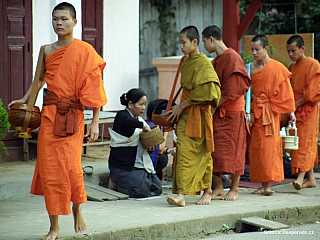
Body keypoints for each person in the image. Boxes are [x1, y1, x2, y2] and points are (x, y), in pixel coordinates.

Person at [7, 2, 107, 240]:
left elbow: (95, 88)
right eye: (55, 19)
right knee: (50, 170)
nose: (59, 23)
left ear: (75, 22)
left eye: (63, 19)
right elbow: (38, 81)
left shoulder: (85, 52)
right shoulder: (46, 50)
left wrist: (95, 122)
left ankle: (77, 208)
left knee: (72, 168)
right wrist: (24, 101)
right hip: (51, 116)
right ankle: (54, 227)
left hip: (73, 116)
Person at [166, 26, 221, 206]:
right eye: (180, 43)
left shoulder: (204, 63)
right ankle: (181, 195)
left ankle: (207, 191)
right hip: (185, 116)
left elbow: (209, 90)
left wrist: (182, 105)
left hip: (199, 114)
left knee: (204, 153)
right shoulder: (186, 61)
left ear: (195, 42)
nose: (181, 46)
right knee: (182, 152)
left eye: (184, 43)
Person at [202, 25, 251, 201]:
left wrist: (215, 104)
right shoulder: (217, 60)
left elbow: (234, 89)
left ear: (211, 39)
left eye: (204, 42)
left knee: (235, 150)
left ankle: (235, 189)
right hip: (218, 111)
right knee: (215, 150)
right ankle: (219, 187)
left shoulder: (232, 57)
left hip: (232, 112)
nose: (204, 47)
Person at [249, 35, 295, 196]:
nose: (254, 52)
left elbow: (286, 92)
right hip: (257, 112)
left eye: (257, 49)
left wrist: (290, 112)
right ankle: (262, 184)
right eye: (252, 49)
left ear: (266, 49)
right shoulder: (251, 68)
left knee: (269, 149)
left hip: (271, 114)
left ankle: (268, 185)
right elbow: (247, 93)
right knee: (257, 149)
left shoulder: (277, 67)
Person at [108, 88, 162, 198]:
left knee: (157, 189)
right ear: (130, 104)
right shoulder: (122, 116)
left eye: (144, 104)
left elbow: (142, 147)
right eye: (140, 104)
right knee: (141, 191)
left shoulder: (140, 120)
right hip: (123, 167)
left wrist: (150, 148)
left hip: (138, 164)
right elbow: (129, 122)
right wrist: (144, 126)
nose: (143, 108)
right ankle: (115, 184)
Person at [286, 35, 320, 190]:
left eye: (293, 50)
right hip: (295, 109)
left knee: (306, 144)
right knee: (298, 143)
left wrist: (296, 104)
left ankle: (300, 178)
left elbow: (312, 92)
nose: (291, 54)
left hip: (308, 109)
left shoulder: (313, 64)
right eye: (288, 51)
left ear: (302, 48)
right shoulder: (292, 67)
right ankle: (311, 178)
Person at [145, 99, 176, 179]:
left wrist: (168, 150)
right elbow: (160, 149)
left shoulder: (153, 124)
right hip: (145, 164)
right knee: (162, 158)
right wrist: (166, 129)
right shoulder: (151, 126)